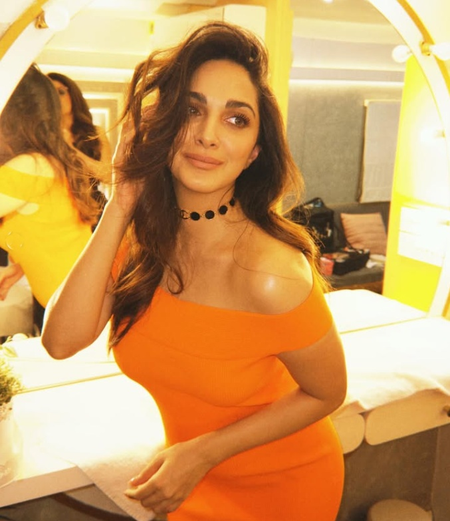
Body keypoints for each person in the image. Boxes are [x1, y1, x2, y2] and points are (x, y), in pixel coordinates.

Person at [42, 21, 347, 521]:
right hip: (189, 476)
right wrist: (121, 202)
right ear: (160, 126)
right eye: (191, 110)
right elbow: (60, 342)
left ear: (254, 153)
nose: (207, 135)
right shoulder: (140, 241)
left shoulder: (272, 272)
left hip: (281, 487)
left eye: (236, 119)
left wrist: (202, 453)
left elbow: (327, 392)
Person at [0, 65, 99, 332]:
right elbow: (52, 229)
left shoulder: (30, 166)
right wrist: (22, 264)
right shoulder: (46, 161)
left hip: (80, 310)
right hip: (84, 300)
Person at [47, 71, 112, 218]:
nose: (56, 98)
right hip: (58, 206)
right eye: (51, 94)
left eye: (61, 92)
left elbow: (106, 175)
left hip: (94, 207)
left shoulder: (95, 132)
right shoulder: (44, 135)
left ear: (73, 95)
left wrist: (69, 148)